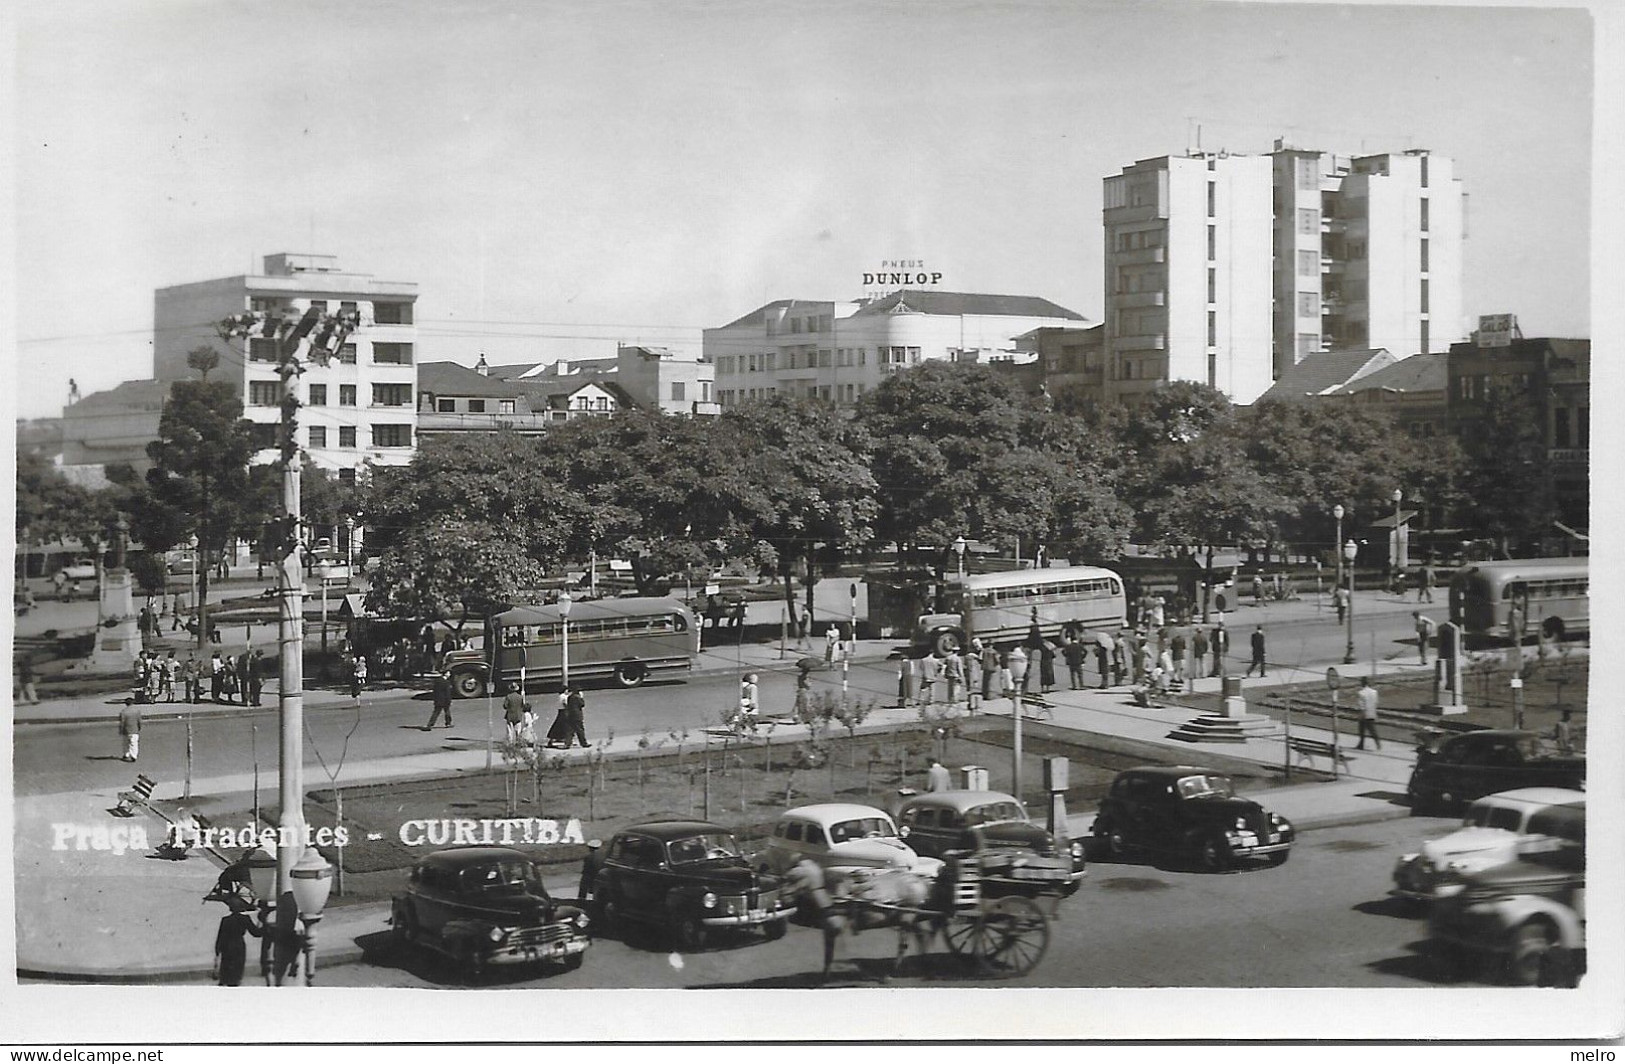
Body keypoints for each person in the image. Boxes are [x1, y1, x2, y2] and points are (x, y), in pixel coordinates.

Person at [211, 897, 264, 987]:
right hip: (239, 946)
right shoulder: (245, 918)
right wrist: (263, 923)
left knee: (226, 971)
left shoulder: (225, 920)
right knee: (236, 973)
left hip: (227, 947)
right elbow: (256, 933)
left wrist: (217, 952)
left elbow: (220, 937)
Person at [1355, 676, 1382, 750]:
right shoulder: (1374, 692)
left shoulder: (1361, 693)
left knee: (1361, 730)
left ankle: (1361, 744)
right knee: (1372, 729)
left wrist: (1361, 714)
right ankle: (1377, 743)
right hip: (1372, 712)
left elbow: (1361, 705)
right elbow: (1376, 702)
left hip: (1364, 713)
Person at [963, 647, 983, 711]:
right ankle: (977, 704)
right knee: (976, 691)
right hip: (975, 676)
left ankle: (971, 704)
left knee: (969, 690)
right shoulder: (975, 659)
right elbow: (981, 660)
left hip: (968, 675)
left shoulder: (966, 658)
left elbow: (965, 666)